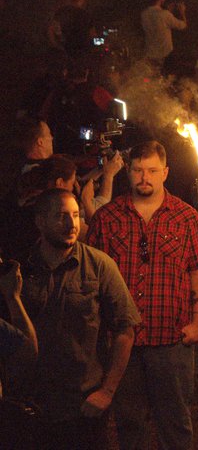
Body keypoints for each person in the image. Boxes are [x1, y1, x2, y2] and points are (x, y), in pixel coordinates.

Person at [87, 141, 198, 450]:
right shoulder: (107, 218)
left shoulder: (186, 217)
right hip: (122, 342)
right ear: (128, 172)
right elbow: (93, 281)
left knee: (176, 424)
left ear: (165, 172)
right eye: (139, 170)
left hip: (171, 340)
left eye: (152, 170)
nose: (145, 177)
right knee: (130, 425)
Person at [13, 189, 137, 449]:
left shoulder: (99, 265)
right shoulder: (20, 269)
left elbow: (126, 328)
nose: (72, 224)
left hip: (84, 404)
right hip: (34, 404)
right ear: (40, 221)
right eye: (61, 216)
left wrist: (107, 391)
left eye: (76, 215)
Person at [140, 0, 187, 64]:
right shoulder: (165, 14)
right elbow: (183, 26)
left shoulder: (144, 14)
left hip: (150, 54)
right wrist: (182, 11)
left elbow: (159, 23)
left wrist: (168, 11)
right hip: (165, 55)